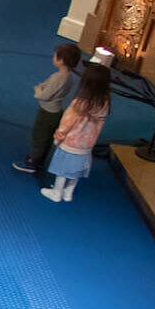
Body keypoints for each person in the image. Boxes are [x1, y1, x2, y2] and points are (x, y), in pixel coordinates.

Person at [41, 57, 111, 204]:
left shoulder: (79, 104)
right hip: (86, 146)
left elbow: (67, 123)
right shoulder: (104, 104)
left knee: (63, 169)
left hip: (71, 144)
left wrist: (58, 136)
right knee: (76, 170)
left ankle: (56, 192)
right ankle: (68, 192)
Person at [16, 43, 84, 177]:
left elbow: (45, 95)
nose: (53, 58)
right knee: (47, 137)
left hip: (47, 112)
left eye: (55, 56)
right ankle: (40, 159)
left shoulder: (57, 78)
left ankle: (33, 162)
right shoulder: (68, 77)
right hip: (56, 111)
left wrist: (37, 91)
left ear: (61, 60)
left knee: (40, 136)